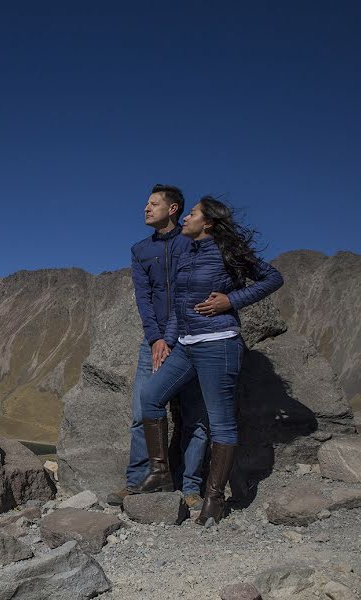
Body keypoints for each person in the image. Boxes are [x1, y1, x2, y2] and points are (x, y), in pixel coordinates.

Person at [137, 195, 284, 524]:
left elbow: (272, 278)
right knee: (150, 396)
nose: (186, 219)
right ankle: (160, 472)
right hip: (187, 346)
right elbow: (179, 307)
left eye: (192, 214)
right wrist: (169, 342)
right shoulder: (184, 254)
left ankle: (214, 499)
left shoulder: (227, 251)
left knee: (220, 423)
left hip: (219, 344)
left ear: (209, 223)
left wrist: (230, 301)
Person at [108, 184, 209, 508]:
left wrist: (169, 336)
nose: (146, 208)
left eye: (153, 204)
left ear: (174, 209)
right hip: (154, 343)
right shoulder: (140, 250)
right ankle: (139, 481)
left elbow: (189, 293)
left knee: (196, 416)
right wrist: (155, 338)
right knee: (142, 412)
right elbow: (144, 298)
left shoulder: (193, 242)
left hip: (193, 338)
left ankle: (191, 487)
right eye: (146, 204)